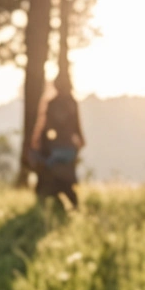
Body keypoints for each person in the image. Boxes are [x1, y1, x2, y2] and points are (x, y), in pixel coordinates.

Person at [29, 72, 84, 209]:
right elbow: (77, 127)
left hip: (56, 150)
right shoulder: (72, 102)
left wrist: (39, 145)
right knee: (63, 180)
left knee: (43, 167)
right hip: (69, 150)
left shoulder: (52, 103)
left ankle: (50, 199)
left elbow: (45, 127)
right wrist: (79, 143)